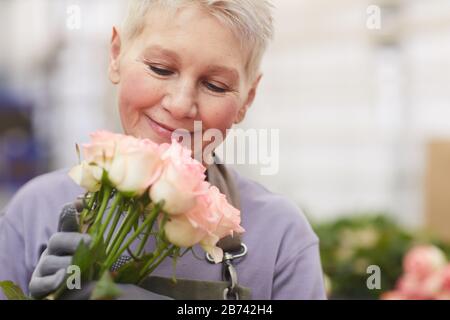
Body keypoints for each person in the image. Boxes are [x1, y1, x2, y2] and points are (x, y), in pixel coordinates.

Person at [0, 0, 326, 300]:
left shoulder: (282, 239)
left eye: (215, 85)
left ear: (247, 100)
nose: (181, 104)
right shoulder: (32, 214)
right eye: (160, 68)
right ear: (116, 55)